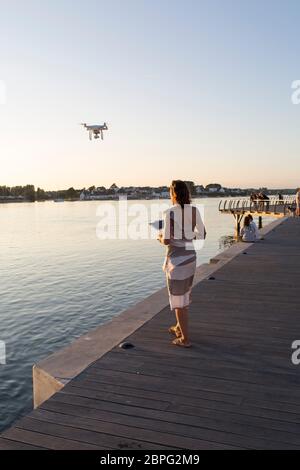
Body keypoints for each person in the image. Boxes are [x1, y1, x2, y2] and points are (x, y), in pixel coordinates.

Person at [158, 180, 206, 348]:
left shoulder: (170, 212)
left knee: (179, 302)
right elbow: (202, 235)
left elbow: (166, 240)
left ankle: (185, 339)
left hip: (177, 261)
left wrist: (159, 237)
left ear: (173, 194)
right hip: (190, 258)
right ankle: (178, 327)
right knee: (185, 294)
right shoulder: (194, 211)